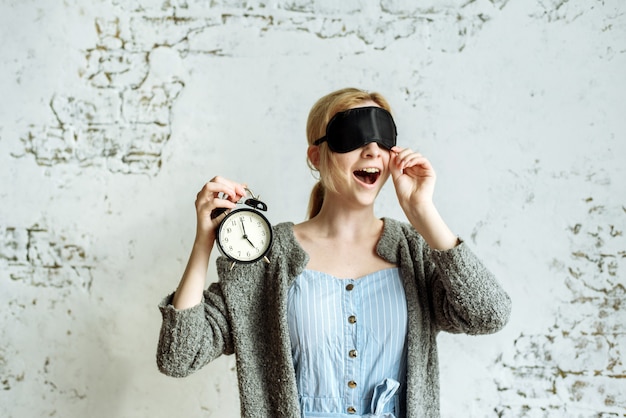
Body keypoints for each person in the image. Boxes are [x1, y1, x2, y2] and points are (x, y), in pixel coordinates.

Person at [156, 87, 511, 418]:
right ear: (316, 155)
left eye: (382, 139)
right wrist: (204, 240)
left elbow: (489, 314)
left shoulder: (412, 253)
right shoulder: (267, 258)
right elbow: (178, 357)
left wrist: (422, 212)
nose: (372, 150)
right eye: (353, 137)